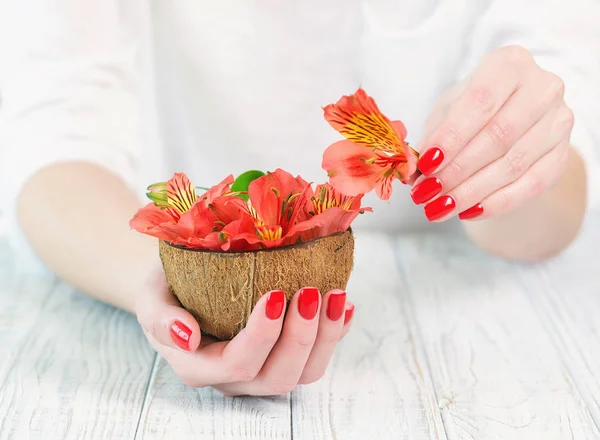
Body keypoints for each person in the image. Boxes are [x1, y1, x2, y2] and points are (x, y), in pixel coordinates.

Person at [0, 1, 598, 397]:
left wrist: (492, 153)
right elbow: (48, 138)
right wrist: (156, 285)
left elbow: (560, 203)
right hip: (151, 245)